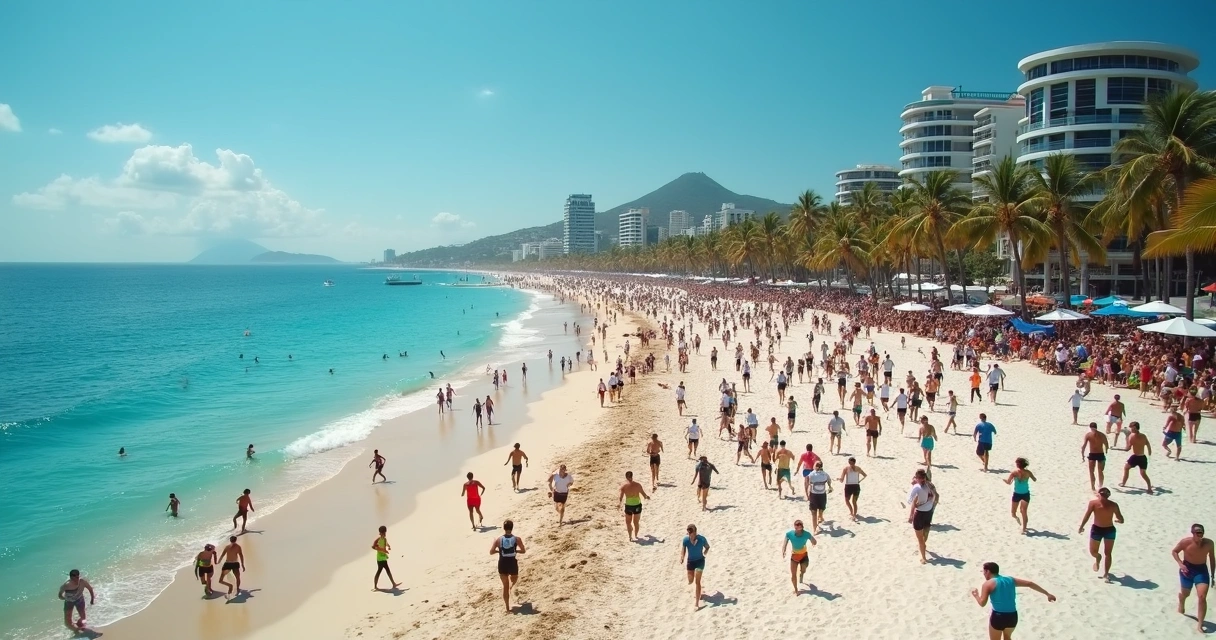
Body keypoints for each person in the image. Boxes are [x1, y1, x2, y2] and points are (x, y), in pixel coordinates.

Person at [971, 561, 1056, 640]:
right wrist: (1047, 594)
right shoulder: (1010, 580)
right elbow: (1029, 584)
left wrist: (976, 595)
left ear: (987, 571)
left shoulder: (987, 584)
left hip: (998, 616)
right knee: (1007, 638)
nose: (984, 574)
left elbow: (982, 603)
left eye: (984, 572)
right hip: (1012, 616)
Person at [1173, 523, 1214, 632]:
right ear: (1193, 533)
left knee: (1202, 597)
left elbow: (1212, 558)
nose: (1200, 535)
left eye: (1201, 532)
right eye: (1198, 533)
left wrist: (1213, 575)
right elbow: (1174, 551)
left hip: (1201, 571)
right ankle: (1181, 600)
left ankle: (1200, 624)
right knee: (1186, 594)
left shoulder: (1209, 543)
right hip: (1187, 570)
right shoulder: (1185, 542)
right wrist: (1180, 564)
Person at [1078, 487, 1125, 582]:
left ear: (1107, 496)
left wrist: (1119, 520)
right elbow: (1087, 515)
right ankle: (1098, 557)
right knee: (1093, 552)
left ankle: (1106, 574)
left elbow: (1121, 519)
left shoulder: (1113, 505)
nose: (1103, 497)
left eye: (1104, 495)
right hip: (1097, 529)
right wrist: (1081, 526)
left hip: (1109, 530)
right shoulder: (1093, 503)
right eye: (1102, 494)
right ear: (1098, 494)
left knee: (1108, 553)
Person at [490, 520, 526, 613]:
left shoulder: (498, 539)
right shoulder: (517, 539)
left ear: (504, 528)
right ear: (512, 528)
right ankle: (511, 588)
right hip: (512, 563)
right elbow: (523, 551)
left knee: (505, 586)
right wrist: (515, 551)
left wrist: (499, 551)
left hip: (502, 563)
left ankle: (507, 608)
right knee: (514, 579)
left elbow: (491, 552)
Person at [907, 468, 939, 565]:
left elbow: (910, 501)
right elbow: (935, 497)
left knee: (921, 539)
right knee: (924, 535)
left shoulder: (917, 487)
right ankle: (923, 549)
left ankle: (923, 556)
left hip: (921, 514)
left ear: (918, 478)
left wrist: (911, 515)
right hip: (928, 512)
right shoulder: (930, 486)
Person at [782, 520, 817, 595]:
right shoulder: (789, 534)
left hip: (804, 556)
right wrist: (783, 550)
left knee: (804, 569)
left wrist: (813, 542)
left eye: (800, 525)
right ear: (794, 526)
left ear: (802, 526)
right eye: (796, 525)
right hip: (794, 556)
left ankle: (802, 574)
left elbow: (814, 541)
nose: (798, 526)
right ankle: (796, 590)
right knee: (793, 574)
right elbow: (785, 542)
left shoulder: (806, 534)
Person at [680, 524, 710, 610]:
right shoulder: (685, 540)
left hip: (700, 561)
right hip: (690, 562)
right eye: (689, 533)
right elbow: (683, 549)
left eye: (692, 533)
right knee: (690, 581)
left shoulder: (701, 539)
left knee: (697, 581)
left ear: (695, 532)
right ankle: (700, 592)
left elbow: (707, 547)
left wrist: (705, 552)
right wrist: (682, 557)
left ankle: (696, 603)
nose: (690, 535)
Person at [1004, 458, 1036, 535]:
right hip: (1025, 494)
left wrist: (1004, 480)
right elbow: (1034, 479)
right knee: (1023, 511)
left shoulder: (1014, 473)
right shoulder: (1028, 472)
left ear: (1018, 464)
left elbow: (1008, 482)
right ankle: (1024, 528)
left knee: (1014, 513)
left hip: (1017, 494)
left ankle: (1021, 524)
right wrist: (1027, 477)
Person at [1119, 422, 1153, 493]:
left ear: (1136, 428)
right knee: (1127, 468)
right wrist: (1150, 453)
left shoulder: (1132, 436)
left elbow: (1127, 448)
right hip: (1139, 457)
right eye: (1131, 428)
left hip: (1138, 457)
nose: (1131, 429)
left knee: (1142, 473)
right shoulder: (1143, 436)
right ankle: (1123, 483)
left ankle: (1149, 488)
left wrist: (1126, 437)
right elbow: (1148, 444)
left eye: (1132, 428)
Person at [618, 471, 651, 540]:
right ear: (632, 476)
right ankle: (636, 535)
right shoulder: (638, 485)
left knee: (628, 522)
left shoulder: (624, 486)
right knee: (636, 522)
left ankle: (630, 536)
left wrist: (619, 504)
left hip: (629, 506)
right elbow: (644, 495)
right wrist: (648, 497)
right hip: (637, 505)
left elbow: (620, 498)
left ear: (626, 477)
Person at [1081, 421, 1110, 491]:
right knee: (1100, 471)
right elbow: (1106, 444)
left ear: (1090, 428)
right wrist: (1106, 450)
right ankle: (1100, 486)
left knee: (1092, 471)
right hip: (1100, 454)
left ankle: (1093, 487)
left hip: (1093, 454)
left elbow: (1084, 446)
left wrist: (1082, 454)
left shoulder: (1088, 435)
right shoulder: (1102, 435)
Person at [372, 525, 402, 591]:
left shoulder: (384, 539)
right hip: (380, 558)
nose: (385, 534)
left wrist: (388, 546)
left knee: (384, 570)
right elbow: (373, 547)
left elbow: (385, 543)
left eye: (385, 532)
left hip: (384, 557)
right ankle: (376, 586)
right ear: (381, 533)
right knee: (381, 571)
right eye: (384, 533)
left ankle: (392, 584)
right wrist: (382, 550)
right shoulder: (378, 540)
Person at [806, 461, 832, 531]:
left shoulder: (811, 474)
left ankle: (815, 529)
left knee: (814, 512)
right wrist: (830, 486)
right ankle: (820, 516)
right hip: (822, 494)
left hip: (814, 495)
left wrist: (807, 495)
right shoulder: (825, 474)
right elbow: (829, 480)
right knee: (822, 507)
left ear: (816, 466)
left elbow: (808, 484)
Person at [839, 457, 867, 522]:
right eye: (849, 462)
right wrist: (840, 479)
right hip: (850, 486)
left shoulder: (856, 468)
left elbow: (865, 475)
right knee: (847, 500)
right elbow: (842, 480)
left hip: (854, 486)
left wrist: (859, 481)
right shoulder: (846, 469)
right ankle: (851, 512)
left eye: (851, 462)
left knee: (853, 501)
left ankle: (854, 515)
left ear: (854, 462)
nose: (850, 464)